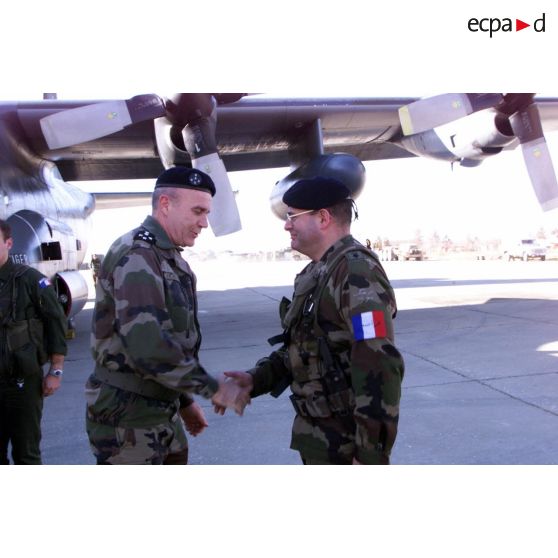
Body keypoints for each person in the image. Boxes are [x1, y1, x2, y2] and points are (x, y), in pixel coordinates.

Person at [220, 176, 405, 464]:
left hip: (346, 446)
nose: (286, 224)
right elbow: (306, 349)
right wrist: (255, 379)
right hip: (320, 438)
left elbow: (379, 363)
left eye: (292, 216)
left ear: (322, 218)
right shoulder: (318, 272)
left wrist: (370, 454)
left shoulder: (356, 273)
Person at [85, 167, 249, 465]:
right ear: (165, 204)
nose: (204, 223)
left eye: (207, 213)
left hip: (160, 410)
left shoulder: (167, 255)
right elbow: (149, 346)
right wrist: (214, 389)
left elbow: (172, 339)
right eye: (198, 211)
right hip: (129, 417)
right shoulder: (137, 254)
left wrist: (184, 402)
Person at [0, 219, 67, 464]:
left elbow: (56, 322)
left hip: (22, 383)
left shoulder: (29, 280)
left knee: (26, 455)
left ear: (8, 243)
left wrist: (56, 371)